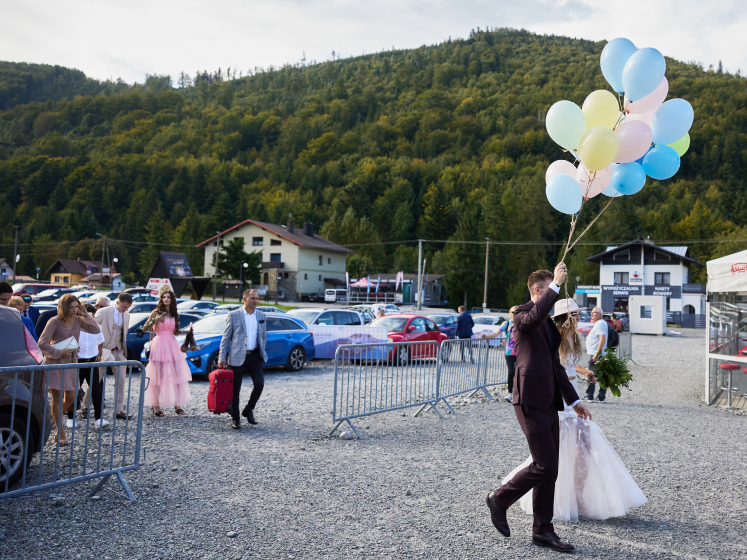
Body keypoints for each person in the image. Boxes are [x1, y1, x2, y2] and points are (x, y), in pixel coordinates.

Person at [503, 298, 647, 521]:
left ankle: (576, 497)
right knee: (563, 450)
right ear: (566, 317)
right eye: (576, 315)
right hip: (562, 398)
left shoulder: (574, 337)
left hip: (573, 393)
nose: (580, 318)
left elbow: (568, 366)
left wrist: (585, 373)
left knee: (582, 449)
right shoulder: (555, 336)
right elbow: (555, 369)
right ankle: (538, 494)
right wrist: (570, 395)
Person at [485, 265, 591, 553]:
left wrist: (575, 401)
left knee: (550, 469)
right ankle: (500, 498)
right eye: (549, 289)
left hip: (549, 400)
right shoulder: (522, 315)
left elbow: (557, 367)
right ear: (537, 290)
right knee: (544, 464)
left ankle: (543, 530)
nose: (554, 296)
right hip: (529, 398)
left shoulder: (547, 324)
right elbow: (531, 318)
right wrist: (556, 283)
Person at [37, 294, 100, 445]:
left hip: (72, 362)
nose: (74, 310)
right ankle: (61, 432)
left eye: (76, 307)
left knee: (71, 398)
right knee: (57, 399)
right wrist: (58, 353)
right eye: (71, 307)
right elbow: (42, 343)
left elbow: (95, 330)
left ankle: (53, 419)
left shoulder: (78, 319)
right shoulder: (54, 321)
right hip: (55, 362)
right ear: (63, 307)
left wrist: (86, 315)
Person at [218, 289, 268, 430]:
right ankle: (236, 417)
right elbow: (226, 337)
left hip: (255, 356)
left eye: (257, 298)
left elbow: (263, 335)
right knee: (235, 389)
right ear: (244, 299)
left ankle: (248, 410)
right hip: (237, 356)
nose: (256, 301)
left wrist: (263, 350)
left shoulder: (261, 315)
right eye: (253, 298)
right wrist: (222, 357)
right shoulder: (234, 315)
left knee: (259, 384)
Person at [143, 290, 192, 417]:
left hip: (172, 344)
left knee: (178, 374)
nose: (165, 299)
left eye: (168, 297)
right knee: (158, 376)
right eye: (163, 297)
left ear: (172, 299)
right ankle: (156, 405)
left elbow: (174, 332)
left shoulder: (175, 314)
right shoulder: (155, 312)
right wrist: (155, 320)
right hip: (159, 344)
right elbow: (144, 329)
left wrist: (185, 332)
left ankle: (178, 404)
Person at [67, 304, 109, 429]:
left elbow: (101, 341)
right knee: (73, 391)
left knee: (97, 391)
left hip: (92, 362)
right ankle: (70, 418)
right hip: (78, 362)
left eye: (91, 316)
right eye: (86, 315)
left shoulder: (97, 327)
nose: (89, 318)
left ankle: (99, 419)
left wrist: (99, 353)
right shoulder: (74, 327)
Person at [95, 293, 133, 419]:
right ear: (117, 302)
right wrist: (97, 350)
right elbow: (92, 330)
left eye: (127, 308)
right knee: (96, 380)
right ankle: (85, 406)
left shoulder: (127, 315)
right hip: (104, 350)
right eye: (123, 307)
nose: (125, 310)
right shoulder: (103, 312)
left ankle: (119, 411)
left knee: (121, 381)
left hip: (119, 351)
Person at [481, 306, 518, 403]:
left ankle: (518, 393)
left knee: (520, 373)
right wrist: (486, 336)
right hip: (509, 351)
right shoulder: (506, 323)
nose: (515, 313)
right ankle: (510, 394)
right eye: (514, 312)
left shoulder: (522, 323)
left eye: (518, 312)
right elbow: (496, 333)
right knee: (511, 371)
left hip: (521, 352)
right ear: (510, 313)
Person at [585, 307, 609, 402]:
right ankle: (601, 397)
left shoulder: (600, 323)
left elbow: (602, 339)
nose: (592, 314)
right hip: (598, 353)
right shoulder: (600, 323)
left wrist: (597, 354)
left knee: (591, 374)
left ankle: (589, 396)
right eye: (591, 312)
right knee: (601, 375)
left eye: (594, 312)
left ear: (600, 314)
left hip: (595, 354)